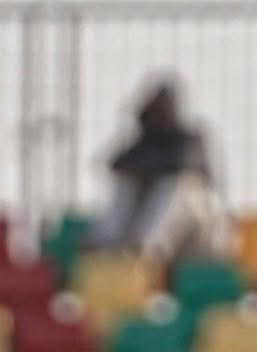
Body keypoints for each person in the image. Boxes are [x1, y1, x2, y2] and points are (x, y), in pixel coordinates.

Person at [90, 78, 227, 263]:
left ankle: (146, 248)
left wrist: (148, 168)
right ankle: (105, 242)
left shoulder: (192, 138)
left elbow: (181, 164)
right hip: (156, 243)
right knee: (128, 182)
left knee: (175, 184)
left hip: (202, 236)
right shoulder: (145, 142)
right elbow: (115, 164)